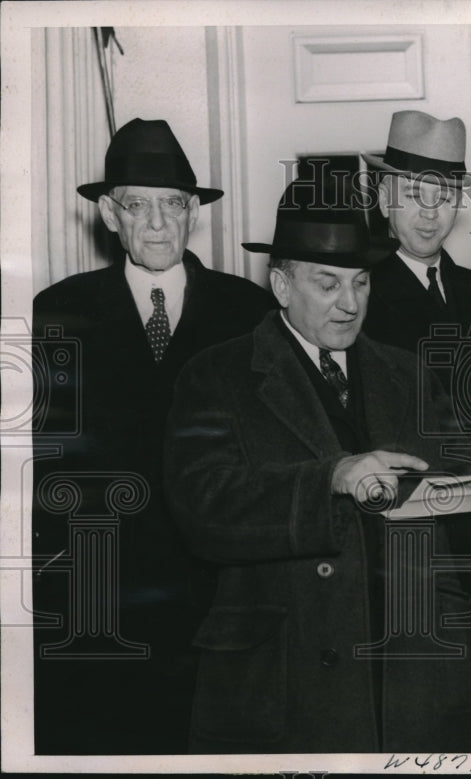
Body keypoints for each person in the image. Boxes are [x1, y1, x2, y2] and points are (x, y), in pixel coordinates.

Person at [163, 178, 471, 753]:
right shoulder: (216, 375)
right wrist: (331, 479)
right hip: (286, 684)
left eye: (361, 283)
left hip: (417, 682)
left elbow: (463, 495)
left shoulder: (408, 373)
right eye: (328, 283)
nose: (350, 302)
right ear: (282, 284)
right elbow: (203, 510)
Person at [32, 117, 275, 754]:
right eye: (139, 206)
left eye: (173, 205)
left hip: (222, 594)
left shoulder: (248, 311)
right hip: (104, 598)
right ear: (110, 215)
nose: (159, 224)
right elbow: (40, 464)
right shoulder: (57, 311)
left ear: (195, 211)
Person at [361, 110, 471, 355]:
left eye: (444, 198)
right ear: (384, 200)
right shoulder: (358, 296)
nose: (430, 213)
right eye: (414, 195)